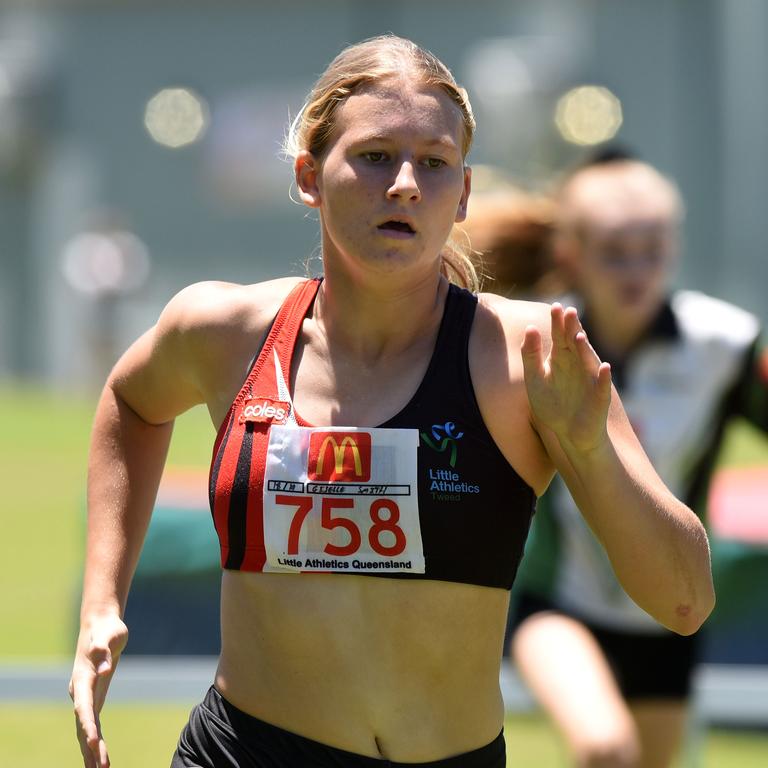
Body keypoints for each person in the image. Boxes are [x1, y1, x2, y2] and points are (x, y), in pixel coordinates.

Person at [69, 36, 715, 768]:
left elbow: (684, 602)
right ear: (311, 176)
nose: (405, 184)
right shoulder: (225, 331)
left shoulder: (525, 356)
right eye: (375, 155)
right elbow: (131, 402)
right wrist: (101, 601)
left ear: (463, 193)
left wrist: (592, 450)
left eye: (433, 163)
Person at [507, 152, 768, 768]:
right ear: (571, 254)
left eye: (651, 250)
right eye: (615, 252)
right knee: (606, 748)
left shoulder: (722, 344)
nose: (636, 270)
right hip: (558, 602)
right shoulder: (533, 338)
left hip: (668, 612)